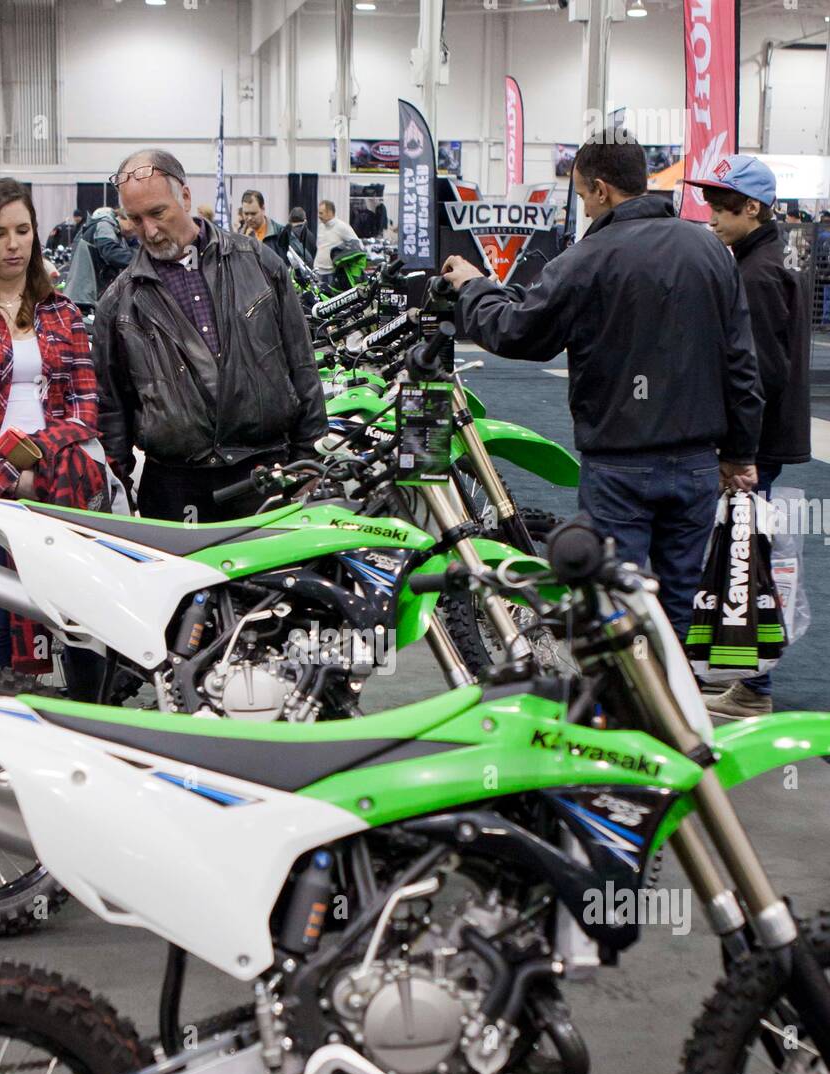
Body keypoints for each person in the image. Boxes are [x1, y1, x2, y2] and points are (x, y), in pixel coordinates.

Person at [441, 129, 763, 645]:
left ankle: (627, 713)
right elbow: (742, 363)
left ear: (600, 188)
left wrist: (473, 287)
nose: (586, 207)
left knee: (617, 606)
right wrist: (741, 452)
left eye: (584, 194)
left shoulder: (588, 257)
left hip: (621, 465)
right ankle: (675, 709)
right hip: (698, 460)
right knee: (677, 603)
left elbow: (518, 330)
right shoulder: (710, 251)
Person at [0, 178, 107, 695]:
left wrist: (41, 465)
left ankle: (86, 724)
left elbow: (85, 405)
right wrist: (10, 476)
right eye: (0, 232)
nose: (13, 244)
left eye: (23, 230)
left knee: (76, 613)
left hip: (63, 482)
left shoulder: (62, 311)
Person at [93, 148, 326, 522]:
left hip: (266, 472)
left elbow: (302, 366)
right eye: (135, 219)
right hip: (173, 487)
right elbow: (112, 411)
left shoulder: (260, 263)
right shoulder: (118, 304)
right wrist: (114, 497)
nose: (149, 231)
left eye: (157, 213)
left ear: (184, 197)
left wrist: (308, 459)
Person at [687, 155, 811, 719]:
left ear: (752, 208)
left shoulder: (757, 274)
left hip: (755, 445)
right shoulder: (769, 257)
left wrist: (739, 453)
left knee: (747, 561)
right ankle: (742, 676)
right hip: (764, 438)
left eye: (721, 205)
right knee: (742, 556)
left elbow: (758, 372)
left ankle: (755, 687)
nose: (710, 214)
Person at [78, 205, 134, 294]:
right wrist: (139, 261)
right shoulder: (104, 225)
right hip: (91, 290)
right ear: (125, 219)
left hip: (90, 288)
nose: (135, 231)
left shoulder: (114, 231)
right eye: (135, 223)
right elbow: (111, 253)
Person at [315, 199, 361, 284]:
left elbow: (358, 245)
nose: (319, 216)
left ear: (329, 212)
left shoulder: (342, 227)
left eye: (321, 213)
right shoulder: (321, 227)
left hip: (332, 274)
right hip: (318, 272)